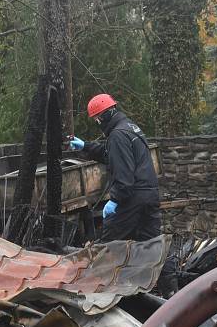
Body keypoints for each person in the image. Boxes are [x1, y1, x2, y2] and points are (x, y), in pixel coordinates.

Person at [69, 93, 161, 242]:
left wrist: (115, 200)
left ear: (102, 117)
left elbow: (124, 174)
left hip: (133, 200)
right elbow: (110, 155)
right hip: (149, 195)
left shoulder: (117, 135)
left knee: (110, 247)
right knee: (151, 245)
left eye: (96, 119)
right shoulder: (130, 127)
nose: (97, 122)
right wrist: (86, 146)